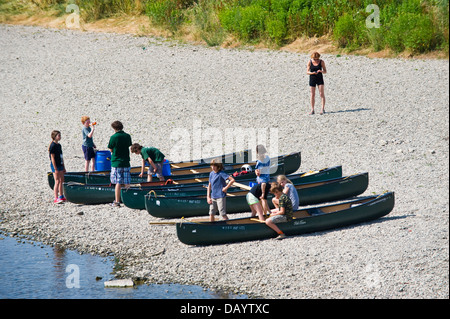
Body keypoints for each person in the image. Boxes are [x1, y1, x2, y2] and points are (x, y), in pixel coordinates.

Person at [107, 121, 132, 207]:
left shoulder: (113, 137)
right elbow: (129, 145)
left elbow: (111, 149)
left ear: (114, 128)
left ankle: (117, 201)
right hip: (126, 161)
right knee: (127, 181)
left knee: (118, 182)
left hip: (116, 162)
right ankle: (129, 200)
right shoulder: (127, 136)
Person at [49, 130, 66, 204]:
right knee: (57, 181)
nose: (60, 137)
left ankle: (61, 195)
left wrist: (64, 166)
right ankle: (56, 198)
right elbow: (52, 158)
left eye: (60, 135)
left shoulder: (59, 145)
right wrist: (55, 168)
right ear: (54, 137)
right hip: (55, 165)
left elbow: (61, 156)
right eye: (58, 135)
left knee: (62, 180)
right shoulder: (52, 146)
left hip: (60, 164)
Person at [255, 144, 271, 215]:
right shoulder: (267, 158)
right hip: (267, 179)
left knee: (262, 199)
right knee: (264, 198)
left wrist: (257, 172)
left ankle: (264, 214)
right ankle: (268, 212)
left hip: (261, 181)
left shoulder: (260, 161)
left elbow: (259, 172)